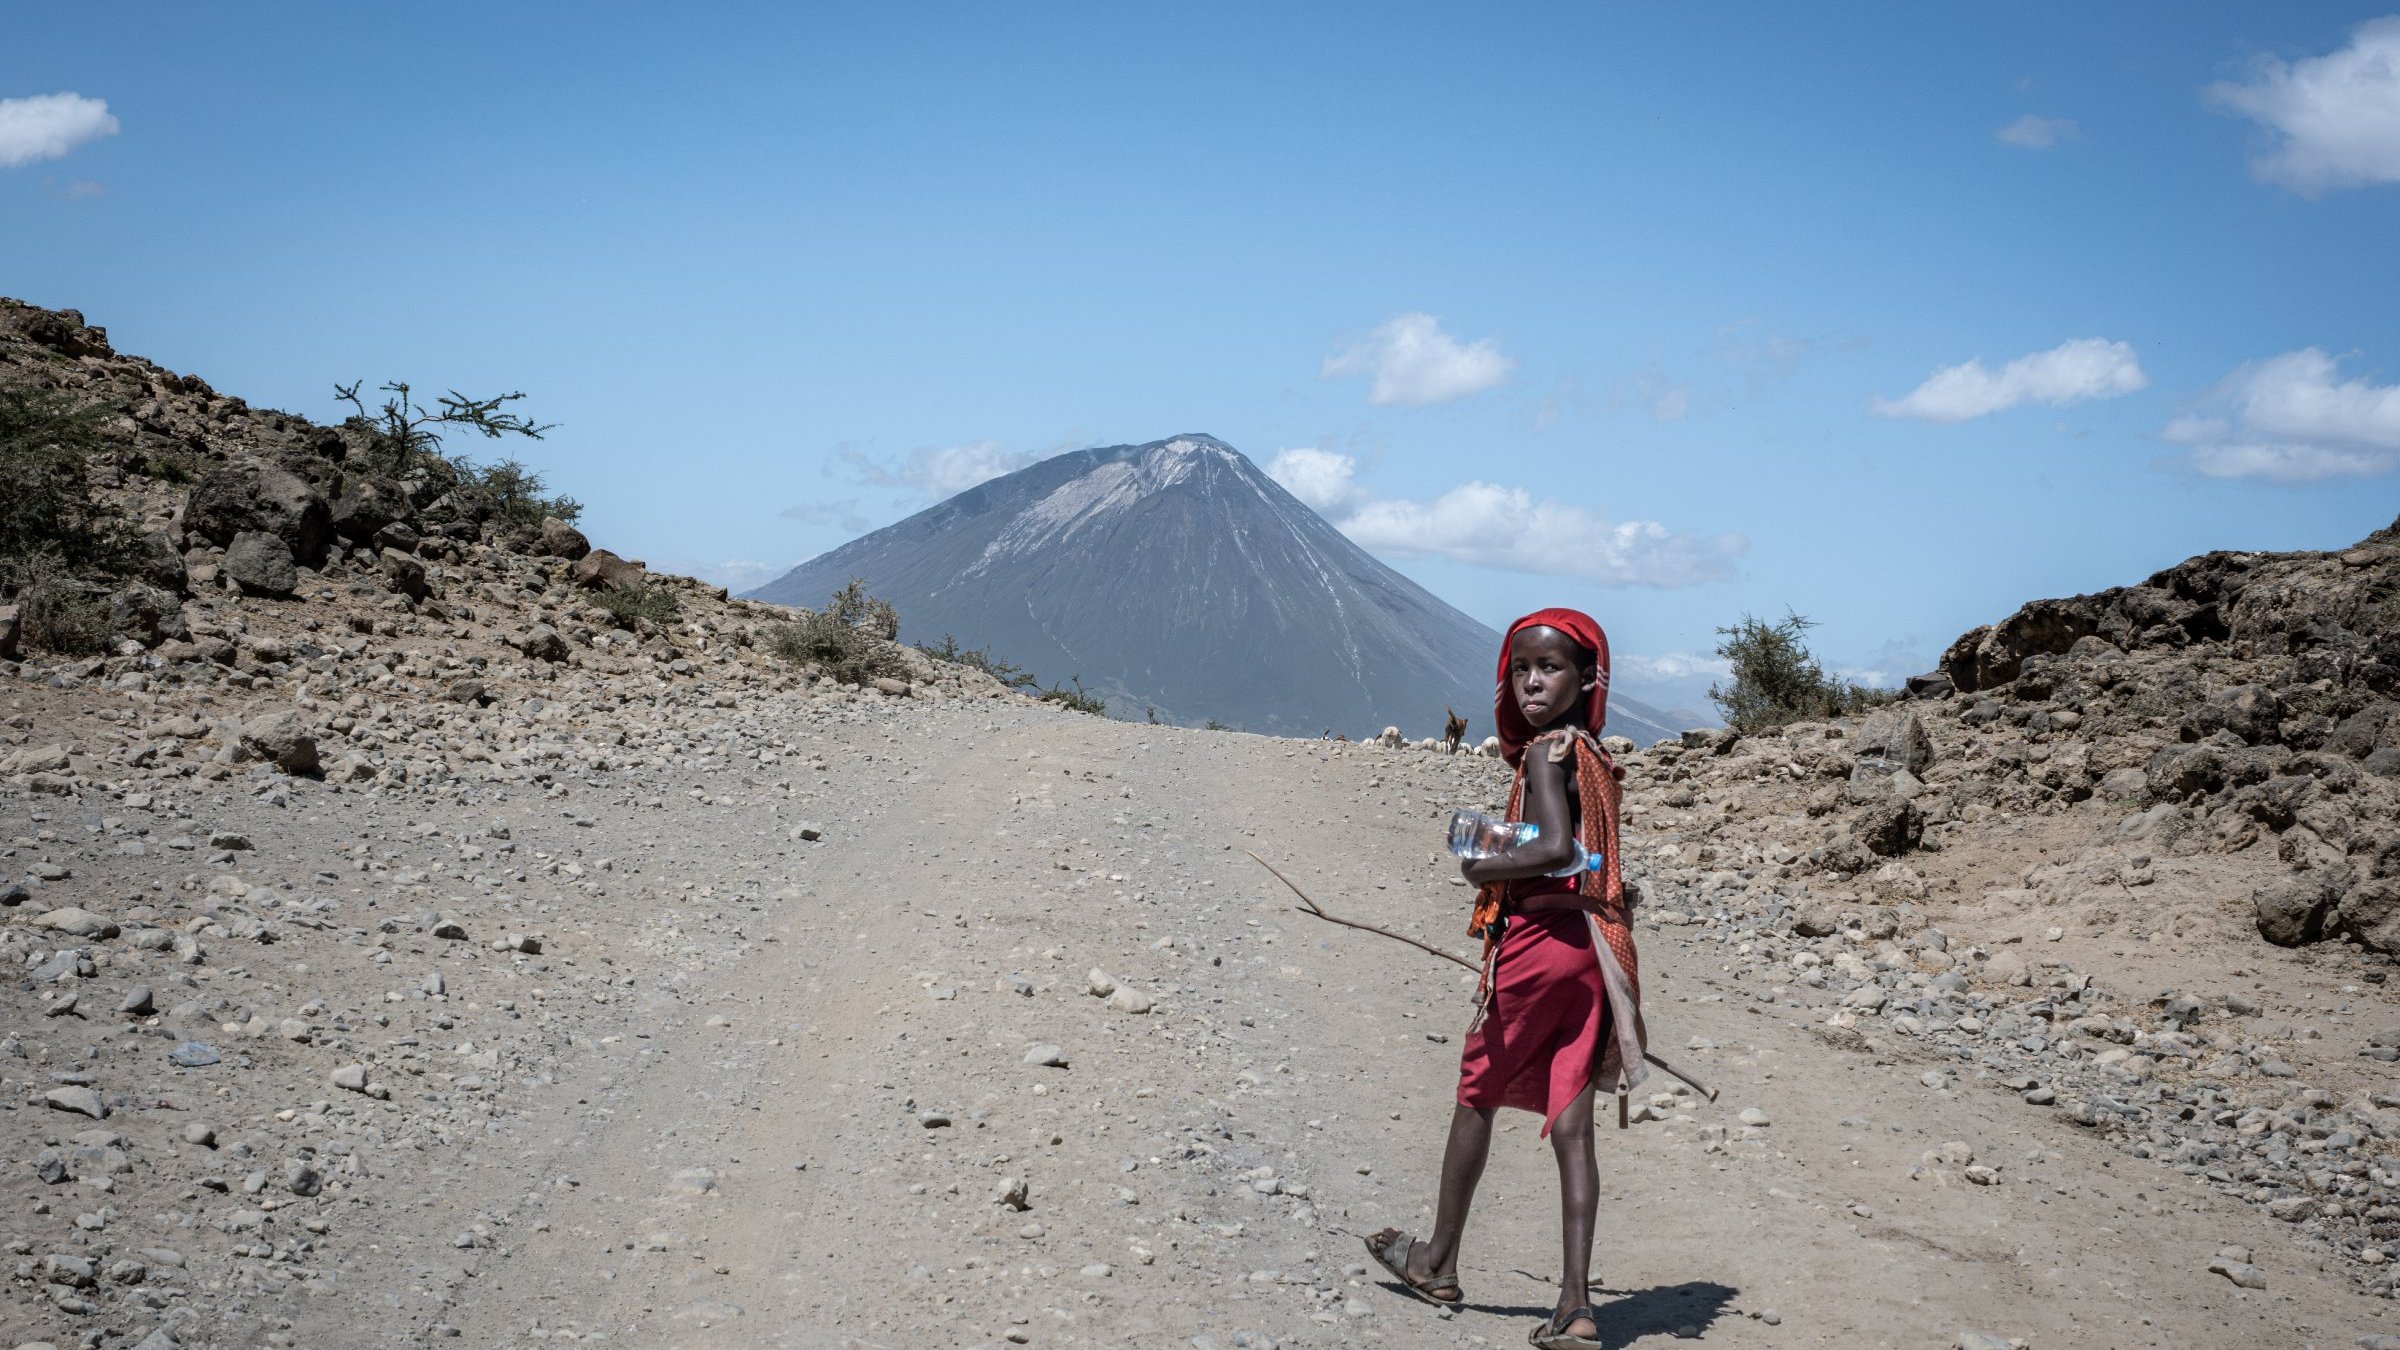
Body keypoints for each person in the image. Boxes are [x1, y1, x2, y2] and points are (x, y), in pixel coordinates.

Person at [1364, 608, 1646, 1350]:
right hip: (1591, 950)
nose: (1530, 682)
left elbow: (1554, 845)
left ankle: (1436, 1260)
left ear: (1585, 679)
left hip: (1541, 947)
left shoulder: (1548, 755)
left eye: (1549, 669)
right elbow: (1588, 856)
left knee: (1476, 1094)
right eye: (1521, 668)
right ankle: (1576, 1307)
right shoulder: (1594, 755)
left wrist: (1480, 866)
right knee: (1574, 1128)